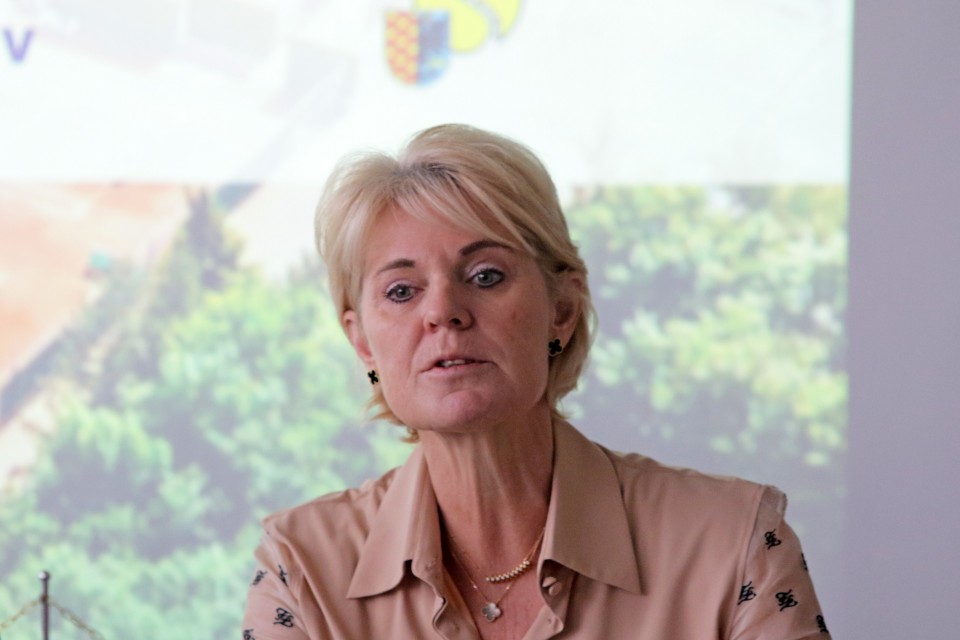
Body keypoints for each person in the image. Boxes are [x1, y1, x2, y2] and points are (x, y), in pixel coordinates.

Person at [242, 124, 831, 639]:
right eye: (401, 290)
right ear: (363, 342)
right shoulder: (302, 569)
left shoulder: (735, 543)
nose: (443, 311)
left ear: (562, 309)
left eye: (485, 275)